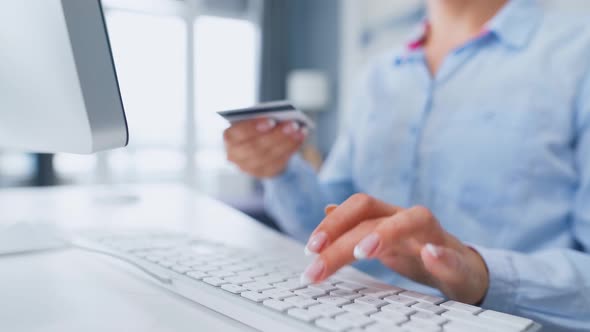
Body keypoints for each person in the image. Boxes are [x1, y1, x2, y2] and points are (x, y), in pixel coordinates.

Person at [223, 0, 590, 330]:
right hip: (349, 314)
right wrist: (280, 171)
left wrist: (481, 274)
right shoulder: (378, 74)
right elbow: (325, 225)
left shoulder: (579, 54)